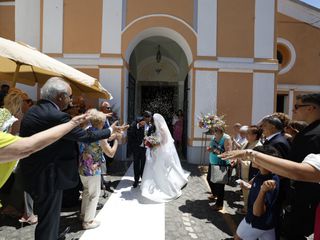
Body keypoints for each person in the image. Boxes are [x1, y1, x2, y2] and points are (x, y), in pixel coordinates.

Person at [18, 77, 122, 240]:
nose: (71, 100)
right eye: (69, 96)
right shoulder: (56, 116)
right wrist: (110, 132)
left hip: (35, 173)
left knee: (48, 218)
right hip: (48, 176)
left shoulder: (35, 110)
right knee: (48, 220)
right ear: (60, 96)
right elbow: (85, 136)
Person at [78, 109, 122, 230]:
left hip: (82, 168)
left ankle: (83, 215)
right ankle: (88, 221)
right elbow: (111, 153)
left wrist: (113, 135)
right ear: (101, 123)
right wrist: (117, 141)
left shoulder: (85, 130)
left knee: (86, 192)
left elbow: (102, 140)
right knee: (94, 195)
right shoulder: (100, 136)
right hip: (93, 170)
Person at [141, 113, 189, 202]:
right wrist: (150, 141)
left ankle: (169, 188)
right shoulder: (158, 128)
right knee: (157, 168)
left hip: (161, 152)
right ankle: (156, 183)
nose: (152, 121)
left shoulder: (162, 129)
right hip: (158, 152)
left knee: (160, 168)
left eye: (153, 120)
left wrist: (153, 144)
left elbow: (164, 142)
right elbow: (157, 139)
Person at [235, 145, 280, 240]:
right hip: (267, 222)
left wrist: (262, 191)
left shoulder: (270, 182)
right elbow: (257, 188)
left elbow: (257, 212)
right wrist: (249, 187)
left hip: (256, 222)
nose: (251, 159)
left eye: (254, 157)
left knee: (238, 238)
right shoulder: (262, 174)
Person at [207, 124, 233, 211]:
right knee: (209, 179)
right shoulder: (214, 137)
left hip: (221, 164)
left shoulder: (226, 138)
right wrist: (210, 149)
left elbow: (227, 153)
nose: (213, 132)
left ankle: (219, 204)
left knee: (220, 185)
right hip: (213, 162)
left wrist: (214, 150)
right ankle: (214, 194)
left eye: (214, 130)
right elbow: (212, 147)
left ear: (220, 130)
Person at [127, 111, 154, 188]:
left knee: (143, 164)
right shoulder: (137, 121)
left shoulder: (151, 125)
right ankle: (136, 180)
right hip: (136, 147)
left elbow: (151, 134)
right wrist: (138, 125)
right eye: (148, 117)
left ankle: (143, 179)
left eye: (150, 117)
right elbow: (131, 129)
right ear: (144, 117)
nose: (149, 119)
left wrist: (150, 140)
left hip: (145, 148)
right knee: (136, 164)